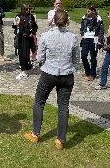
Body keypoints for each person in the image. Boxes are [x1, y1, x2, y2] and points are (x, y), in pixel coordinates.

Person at [24, 9, 79, 150]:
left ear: (53, 20)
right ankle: (60, 140)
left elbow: (40, 57)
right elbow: (76, 59)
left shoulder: (46, 36)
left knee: (39, 101)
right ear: (67, 21)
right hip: (66, 75)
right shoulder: (72, 37)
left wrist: (46, 63)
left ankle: (35, 134)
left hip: (49, 73)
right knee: (63, 107)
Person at [13, 3, 38, 79]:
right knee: (21, 54)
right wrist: (15, 24)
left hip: (28, 38)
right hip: (21, 37)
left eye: (29, 9)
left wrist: (32, 33)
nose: (28, 10)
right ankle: (23, 71)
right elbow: (14, 26)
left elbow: (35, 27)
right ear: (23, 9)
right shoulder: (18, 16)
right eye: (27, 9)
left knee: (26, 54)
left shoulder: (31, 17)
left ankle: (26, 66)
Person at [80, 5, 104, 81]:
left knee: (93, 57)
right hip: (86, 38)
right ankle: (87, 71)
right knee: (83, 56)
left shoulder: (98, 19)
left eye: (89, 11)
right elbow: (82, 27)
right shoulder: (84, 18)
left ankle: (92, 74)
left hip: (94, 39)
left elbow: (101, 30)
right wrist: (82, 34)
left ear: (93, 11)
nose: (87, 12)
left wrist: (100, 40)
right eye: (87, 11)